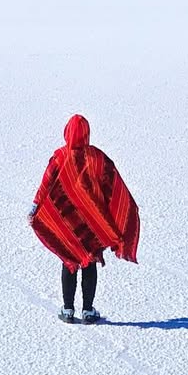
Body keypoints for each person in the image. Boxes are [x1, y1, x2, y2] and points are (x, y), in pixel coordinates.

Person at [28, 114, 140, 324]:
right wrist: (123, 212)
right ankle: (88, 311)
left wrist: (35, 208)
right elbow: (112, 187)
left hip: (67, 223)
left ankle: (68, 310)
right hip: (93, 223)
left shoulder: (60, 157)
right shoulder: (98, 159)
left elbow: (45, 185)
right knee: (89, 262)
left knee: (69, 261)